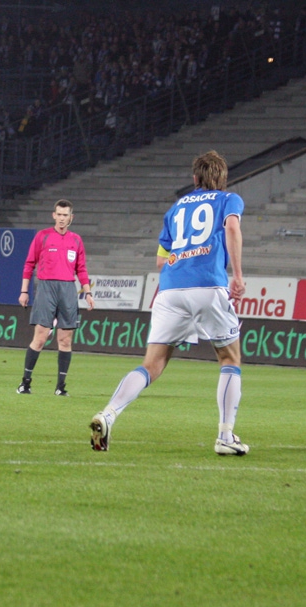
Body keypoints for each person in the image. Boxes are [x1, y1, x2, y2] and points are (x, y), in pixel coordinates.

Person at [90, 151, 249, 456]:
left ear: (194, 179)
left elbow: (161, 261)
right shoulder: (229, 199)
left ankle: (108, 414)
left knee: (152, 364)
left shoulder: (176, 209)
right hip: (207, 284)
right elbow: (231, 228)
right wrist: (238, 275)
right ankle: (226, 436)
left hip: (170, 288)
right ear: (223, 178)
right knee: (229, 359)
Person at [16, 200, 94, 396]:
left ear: (71, 218)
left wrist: (88, 293)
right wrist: (24, 291)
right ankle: (25, 383)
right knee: (40, 337)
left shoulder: (76, 240)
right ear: (53, 215)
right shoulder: (42, 236)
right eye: (58, 214)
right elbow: (29, 264)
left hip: (68, 289)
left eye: (65, 215)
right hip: (46, 287)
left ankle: (60, 387)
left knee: (65, 340)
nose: (61, 218)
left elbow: (81, 269)